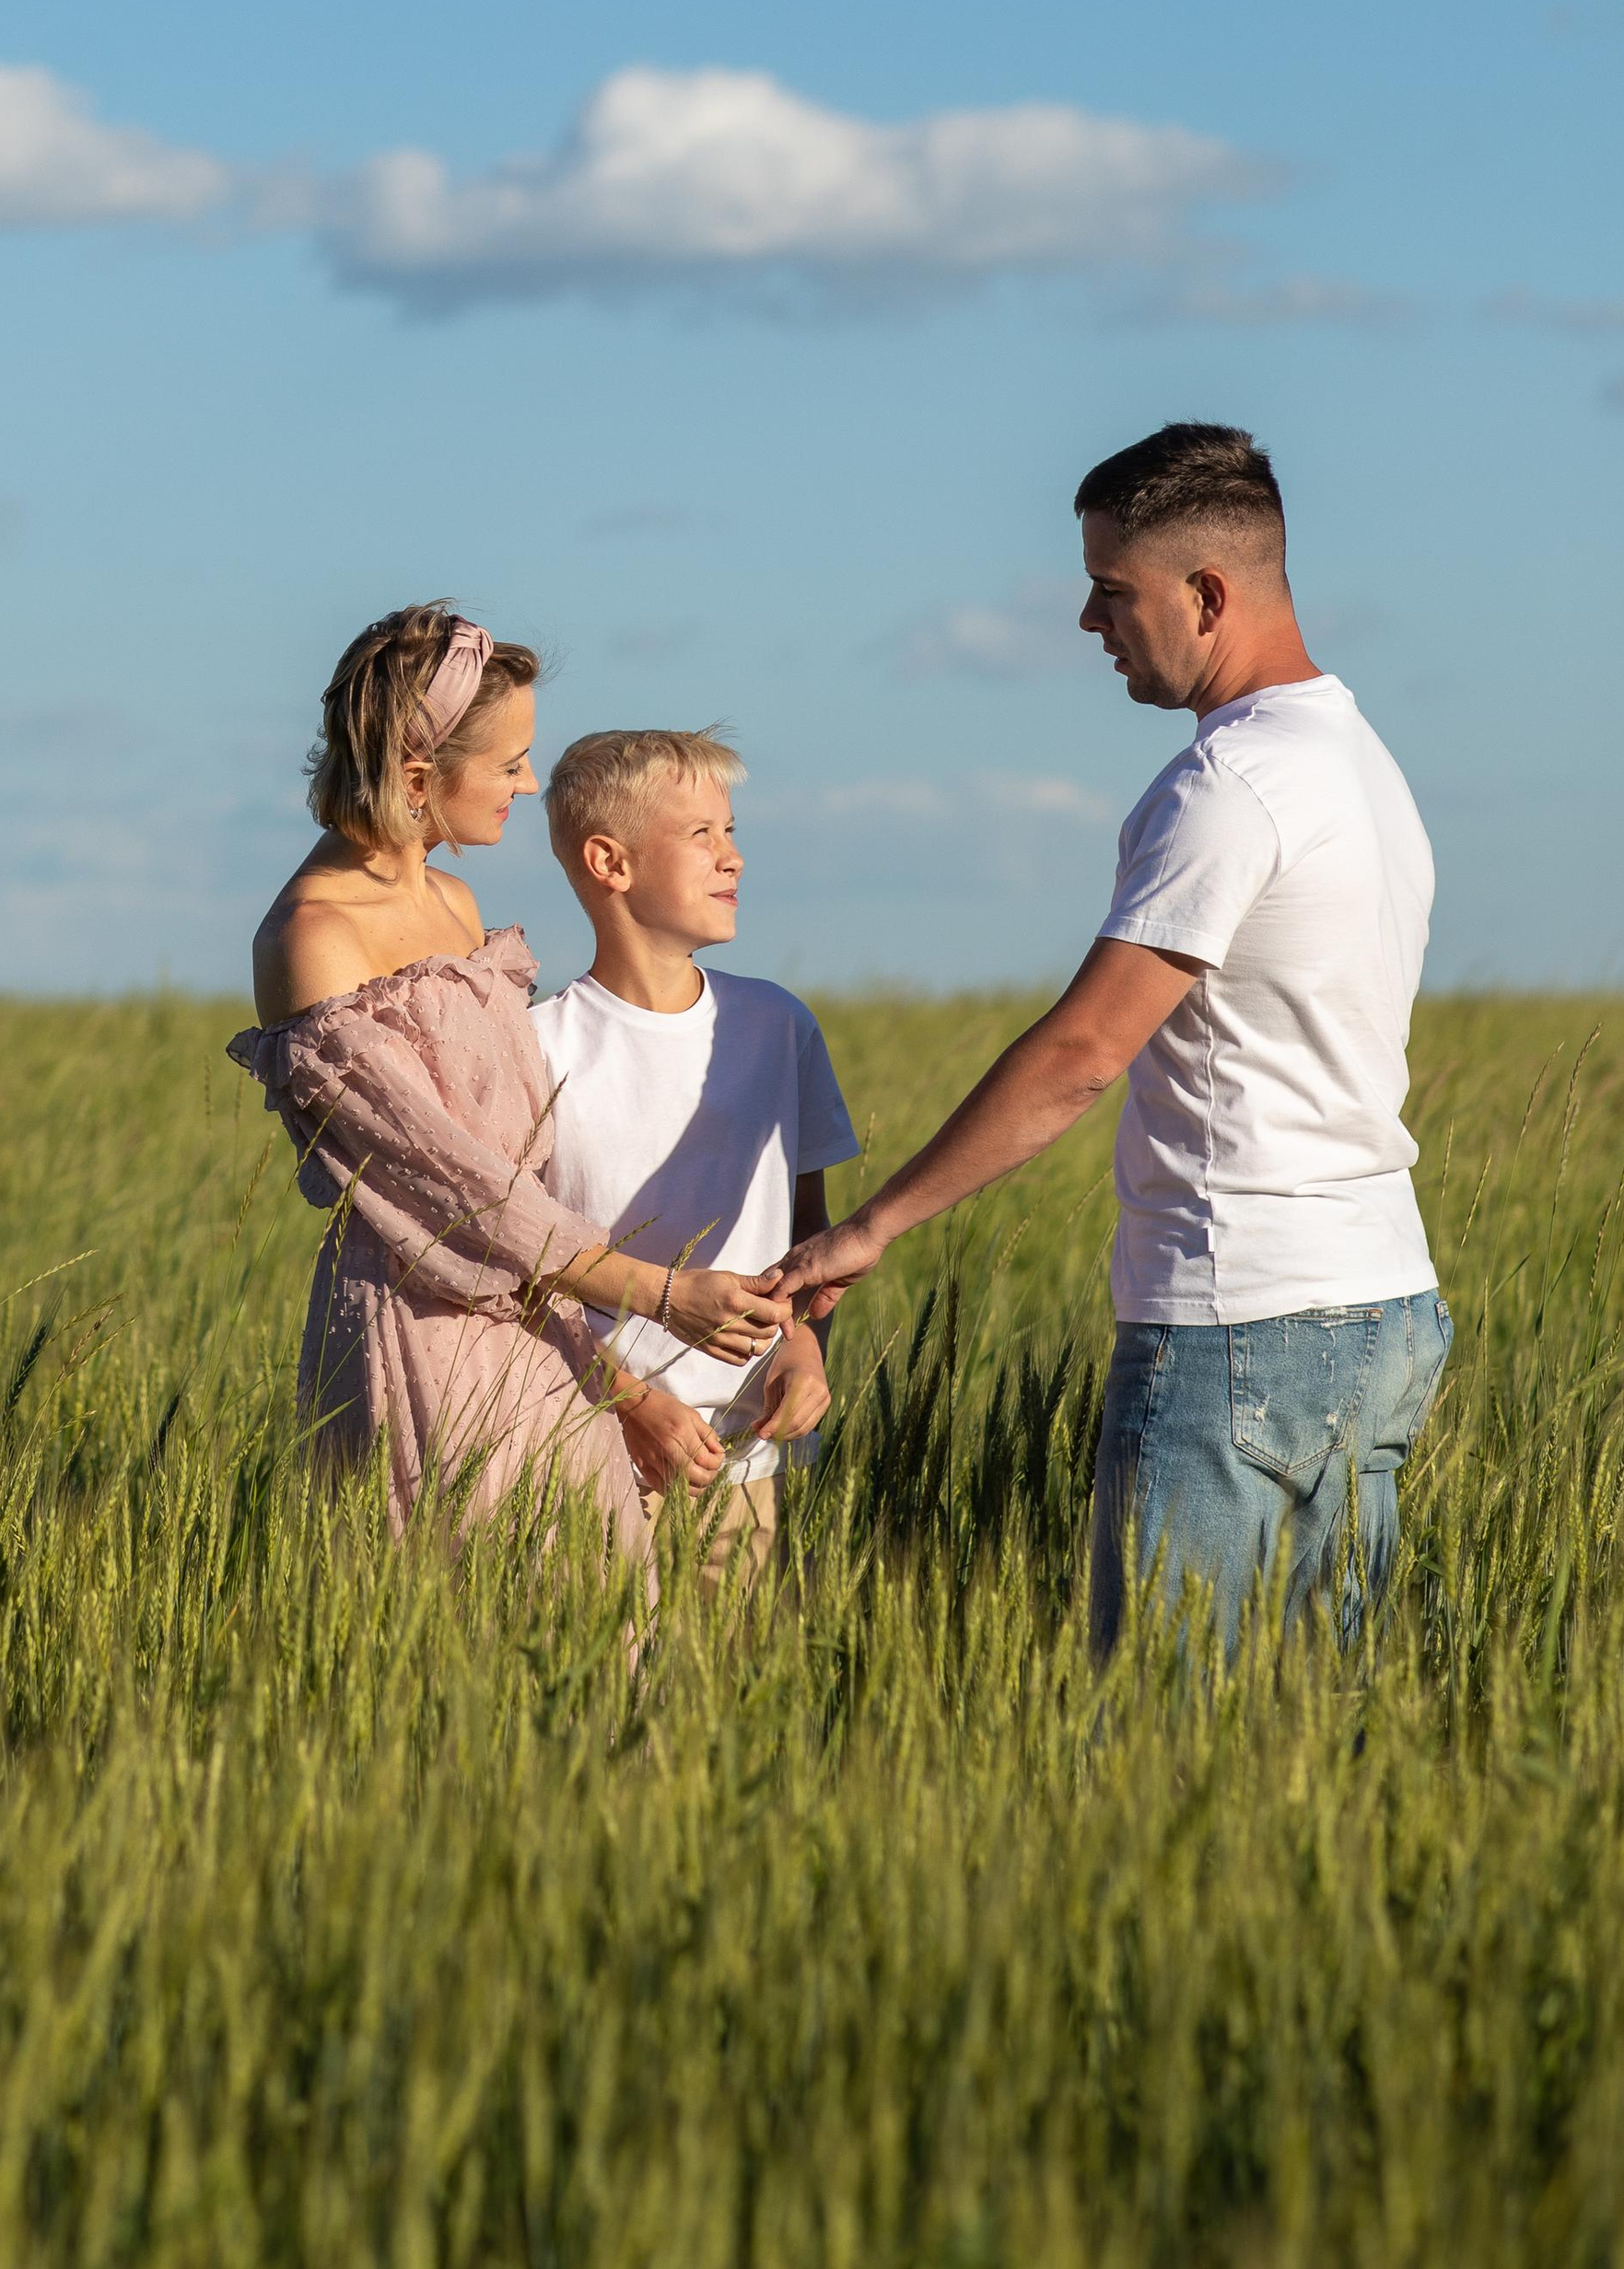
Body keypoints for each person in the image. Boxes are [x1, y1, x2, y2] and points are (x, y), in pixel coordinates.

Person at [774, 424, 1451, 1659]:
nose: (1090, 624)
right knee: (1326, 1734)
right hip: (1382, 1305)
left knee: (1158, 1734)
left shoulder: (1229, 788)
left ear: (1207, 594)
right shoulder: (1360, 760)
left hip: (1235, 1307)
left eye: (1109, 592)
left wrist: (874, 1225)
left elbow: (1086, 1050)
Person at [230, 602, 789, 1552]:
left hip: (542, 1335)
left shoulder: (454, 902)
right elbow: (456, 1189)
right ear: (418, 777)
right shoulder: (313, 939)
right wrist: (661, 1294)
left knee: (605, 1625)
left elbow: (520, 1179)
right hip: (422, 1340)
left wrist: (609, 1374)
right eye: (505, 764)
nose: (528, 784)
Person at [532, 728, 856, 1593]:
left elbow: (809, 1238)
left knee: (734, 1712)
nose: (734, 858)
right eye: (701, 835)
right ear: (611, 862)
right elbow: (516, 1273)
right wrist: (628, 1404)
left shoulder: (779, 1027)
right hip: (587, 1456)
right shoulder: (536, 1046)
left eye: (732, 831)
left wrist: (806, 1351)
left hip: (749, 1461)